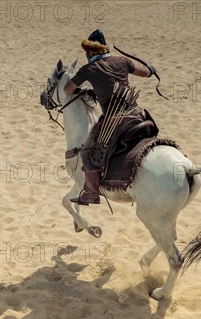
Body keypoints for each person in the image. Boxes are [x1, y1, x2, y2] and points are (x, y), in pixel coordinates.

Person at [64, 29, 157, 205]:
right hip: (137, 115)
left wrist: (80, 89)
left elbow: (68, 89)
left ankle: (91, 192)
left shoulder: (88, 69)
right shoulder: (122, 60)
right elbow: (144, 72)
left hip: (114, 121)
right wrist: (151, 70)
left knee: (87, 152)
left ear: (89, 52)